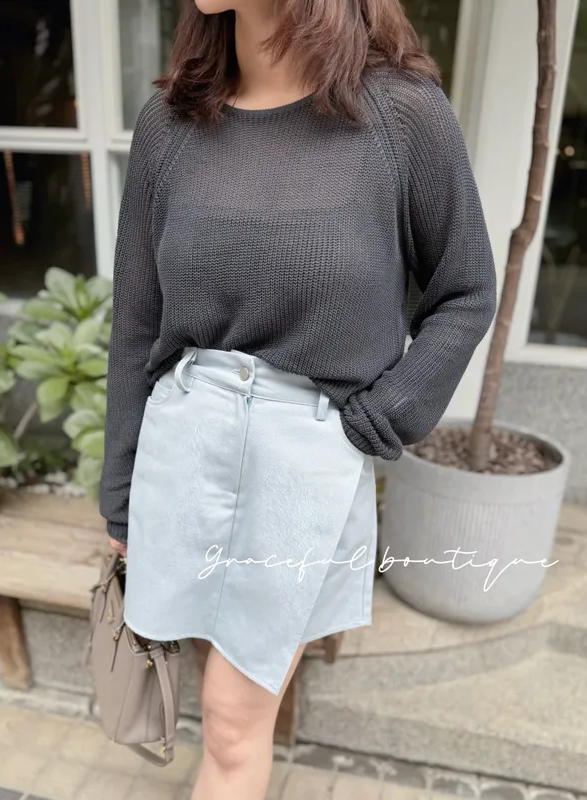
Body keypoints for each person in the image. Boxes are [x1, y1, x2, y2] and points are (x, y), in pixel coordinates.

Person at [99, 0, 497, 797]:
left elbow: (465, 290)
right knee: (215, 703)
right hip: (183, 448)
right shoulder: (169, 125)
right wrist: (120, 495)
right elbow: (137, 320)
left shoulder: (401, 116)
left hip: (304, 462)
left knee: (232, 721)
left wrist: (385, 415)